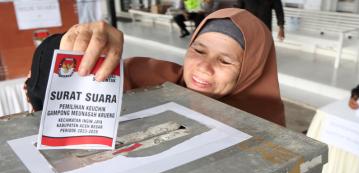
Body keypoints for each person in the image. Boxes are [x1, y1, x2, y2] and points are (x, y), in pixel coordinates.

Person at [26, 9, 286, 126]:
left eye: (225, 60)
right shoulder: (146, 78)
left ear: (252, 70)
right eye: (198, 50)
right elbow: (49, 102)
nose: (203, 68)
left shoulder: (262, 123)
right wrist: (64, 46)